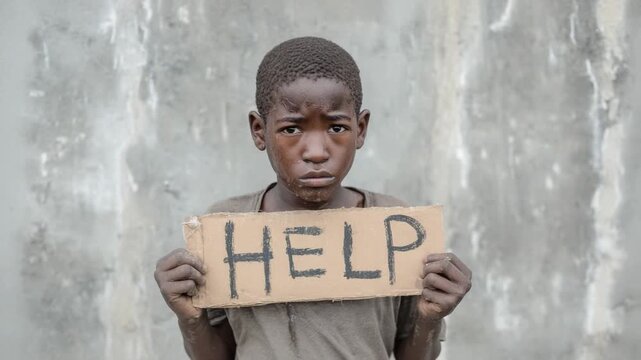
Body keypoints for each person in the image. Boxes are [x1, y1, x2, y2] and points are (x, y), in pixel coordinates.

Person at [154, 36, 472, 360]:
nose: (317, 152)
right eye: (292, 130)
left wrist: (430, 317)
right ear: (259, 131)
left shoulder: (397, 227)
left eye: (336, 128)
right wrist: (189, 317)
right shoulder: (228, 228)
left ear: (360, 129)